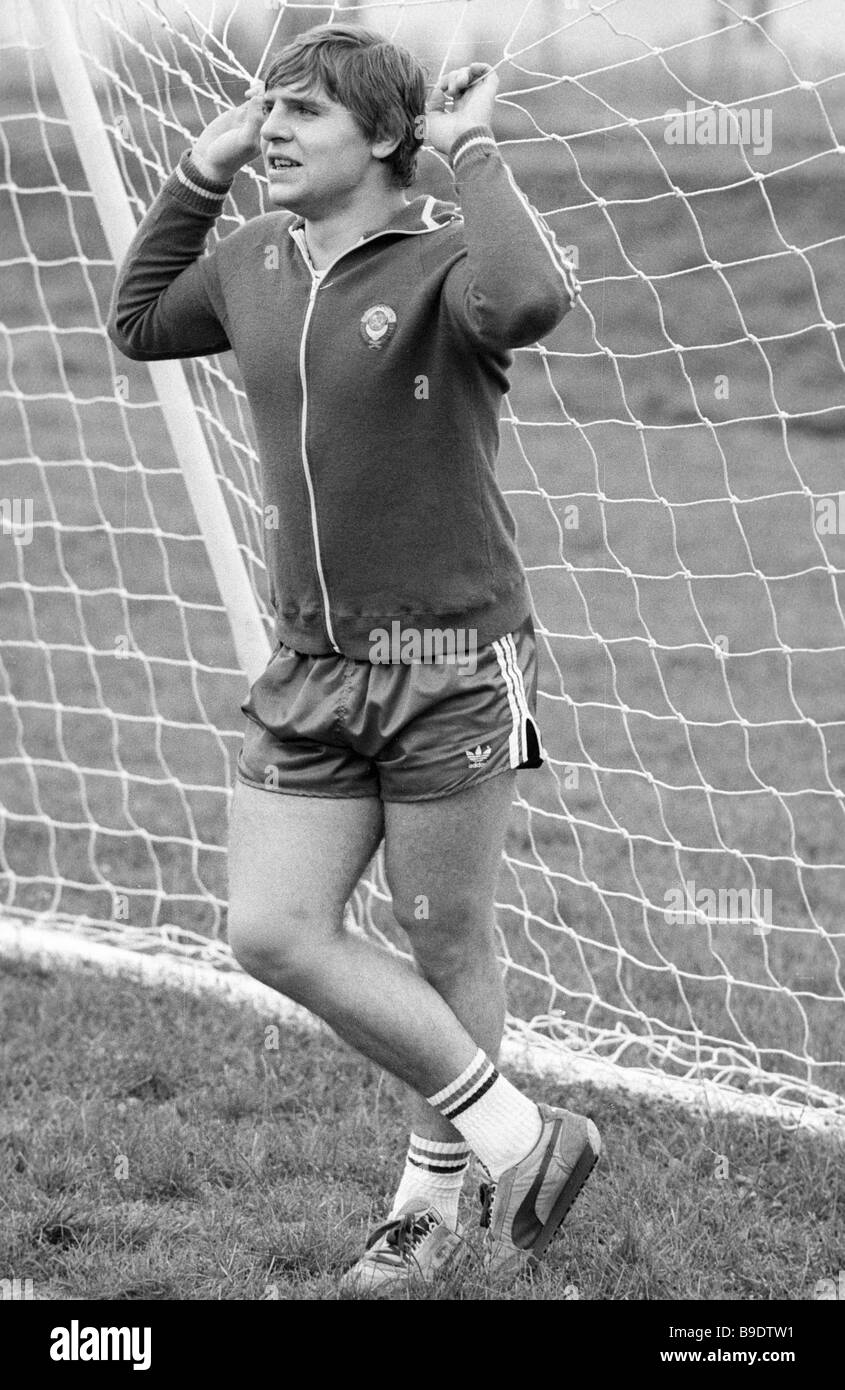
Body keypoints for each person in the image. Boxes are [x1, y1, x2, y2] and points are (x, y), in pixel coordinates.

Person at [108, 21, 600, 1294]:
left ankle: (425, 1210)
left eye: (304, 115)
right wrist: (202, 173)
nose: (273, 127)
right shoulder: (255, 259)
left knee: (444, 943)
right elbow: (140, 321)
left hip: (448, 660)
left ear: (383, 136)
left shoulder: (446, 260)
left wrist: (472, 147)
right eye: (268, 108)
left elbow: (534, 300)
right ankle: (521, 1136)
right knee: (270, 929)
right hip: (311, 663)